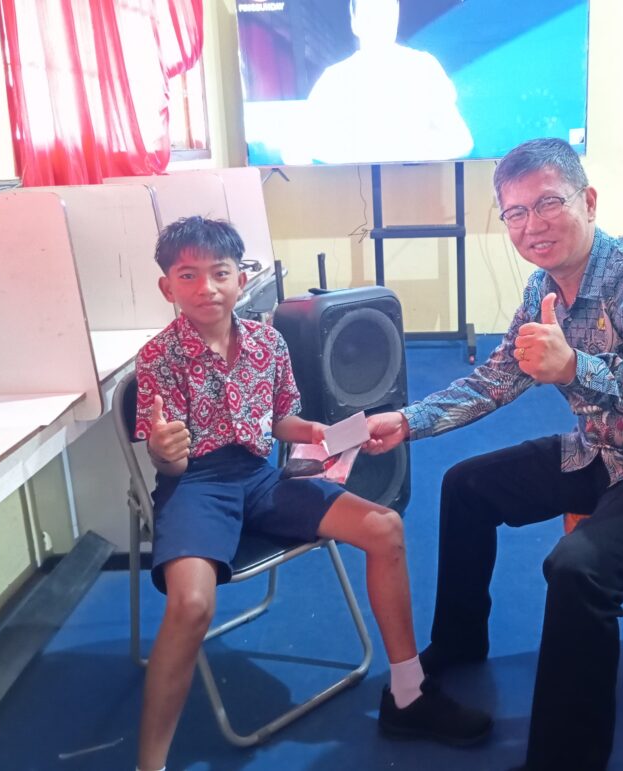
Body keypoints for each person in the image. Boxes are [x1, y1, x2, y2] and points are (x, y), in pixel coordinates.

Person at [364, 138, 623, 770]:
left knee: (577, 568)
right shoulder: (543, 287)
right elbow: (496, 379)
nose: (532, 225)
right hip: (605, 452)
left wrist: (574, 366)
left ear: (588, 201)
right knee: (466, 486)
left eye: (548, 203)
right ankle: (459, 641)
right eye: (515, 212)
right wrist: (408, 421)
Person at [133, 217, 491, 771]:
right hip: (196, 484)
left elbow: (280, 420)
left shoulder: (267, 343)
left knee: (385, 527)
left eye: (219, 273)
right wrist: (164, 450)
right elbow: (170, 460)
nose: (206, 288)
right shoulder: (159, 357)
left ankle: (408, 694)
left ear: (240, 278)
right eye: (188, 275)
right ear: (167, 287)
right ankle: (150, 764)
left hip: (260, 476)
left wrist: (322, 433)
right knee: (192, 603)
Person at [287, 0, 473, 164]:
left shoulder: (423, 68)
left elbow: (461, 141)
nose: (379, 21)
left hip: (416, 186)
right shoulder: (335, 79)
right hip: (349, 187)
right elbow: (294, 149)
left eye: (386, 11)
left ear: (396, 15)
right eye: (370, 12)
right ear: (354, 20)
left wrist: (412, 152)